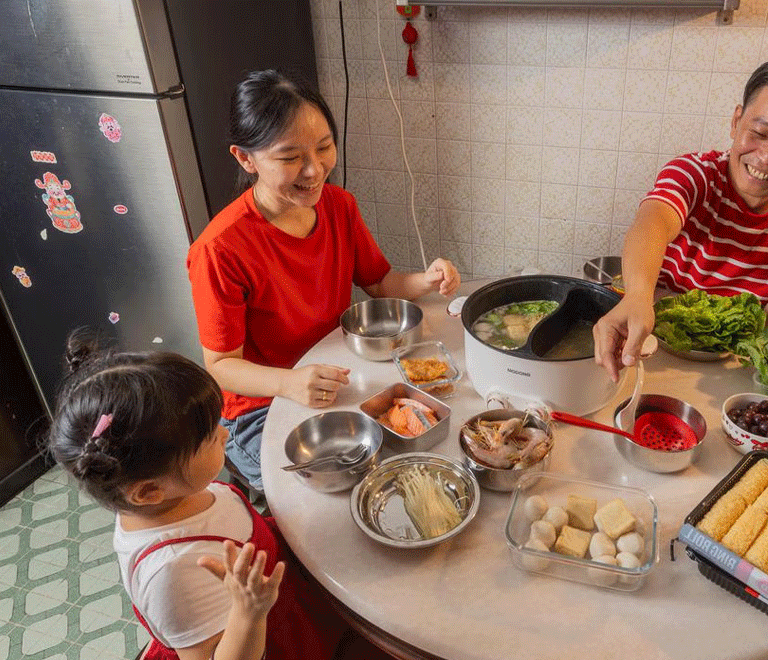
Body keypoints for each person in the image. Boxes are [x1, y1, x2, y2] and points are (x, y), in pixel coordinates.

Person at [188, 70, 460, 491]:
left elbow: (381, 283)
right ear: (246, 158)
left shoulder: (338, 206)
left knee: (413, 452)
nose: (314, 170)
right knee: (320, 497)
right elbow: (221, 366)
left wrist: (428, 279)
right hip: (260, 406)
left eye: (324, 147)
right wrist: (289, 382)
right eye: (290, 156)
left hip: (336, 377)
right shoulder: (220, 249)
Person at [45, 335, 382, 660]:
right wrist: (248, 613)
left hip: (279, 591)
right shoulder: (173, 573)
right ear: (148, 491)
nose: (224, 432)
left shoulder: (171, 496)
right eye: (209, 439)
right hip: (269, 632)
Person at [594, 55, 768, 382]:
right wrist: (637, 296)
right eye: (759, 132)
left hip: (736, 362)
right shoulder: (693, 174)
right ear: (736, 121)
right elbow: (652, 224)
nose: (767, 156)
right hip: (652, 342)